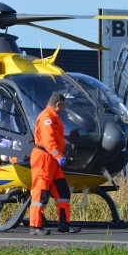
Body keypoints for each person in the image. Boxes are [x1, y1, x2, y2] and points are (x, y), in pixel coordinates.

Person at [29, 93, 81, 236]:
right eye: (63, 106)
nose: (64, 109)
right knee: (41, 193)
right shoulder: (47, 118)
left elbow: (56, 139)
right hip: (45, 158)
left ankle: (64, 224)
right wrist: (58, 156)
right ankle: (35, 226)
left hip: (52, 160)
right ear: (58, 105)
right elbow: (48, 140)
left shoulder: (53, 118)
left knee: (63, 191)